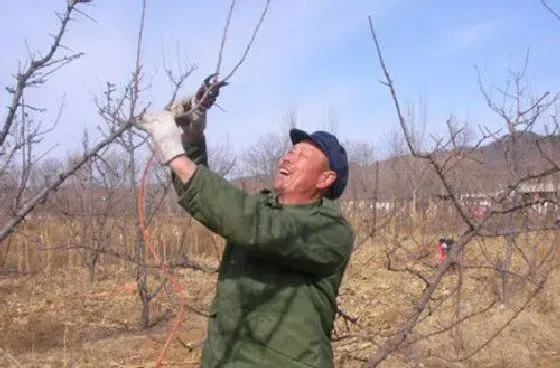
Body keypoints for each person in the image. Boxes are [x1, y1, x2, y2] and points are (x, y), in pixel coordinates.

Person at [137, 77, 355, 368]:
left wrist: (174, 154)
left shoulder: (331, 231)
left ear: (325, 179)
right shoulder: (262, 206)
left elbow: (254, 225)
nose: (287, 157)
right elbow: (214, 201)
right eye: (290, 151)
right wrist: (192, 136)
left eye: (301, 155)